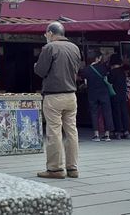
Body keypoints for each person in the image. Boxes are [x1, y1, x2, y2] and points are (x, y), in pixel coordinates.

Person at [34, 22, 81, 179]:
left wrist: (35, 65)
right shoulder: (75, 48)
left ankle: (55, 169)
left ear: (50, 33)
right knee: (71, 131)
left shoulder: (50, 48)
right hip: (71, 96)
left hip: (54, 96)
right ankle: (72, 168)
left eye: (46, 34)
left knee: (54, 131)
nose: (46, 37)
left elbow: (40, 70)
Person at [81, 51, 114, 142]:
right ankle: (107, 134)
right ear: (97, 58)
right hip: (104, 93)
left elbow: (82, 77)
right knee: (107, 112)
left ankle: (96, 134)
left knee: (94, 113)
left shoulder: (87, 69)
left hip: (92, 93)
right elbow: (109, 77)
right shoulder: (104, 67)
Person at [107, 54, 130, 140]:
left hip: (114, 94)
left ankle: (118, 132)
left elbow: (109, 82)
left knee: (116, 113)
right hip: (123, 94)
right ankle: (126, 131)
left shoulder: (112, 72)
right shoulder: (122, 72)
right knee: (124, 112)